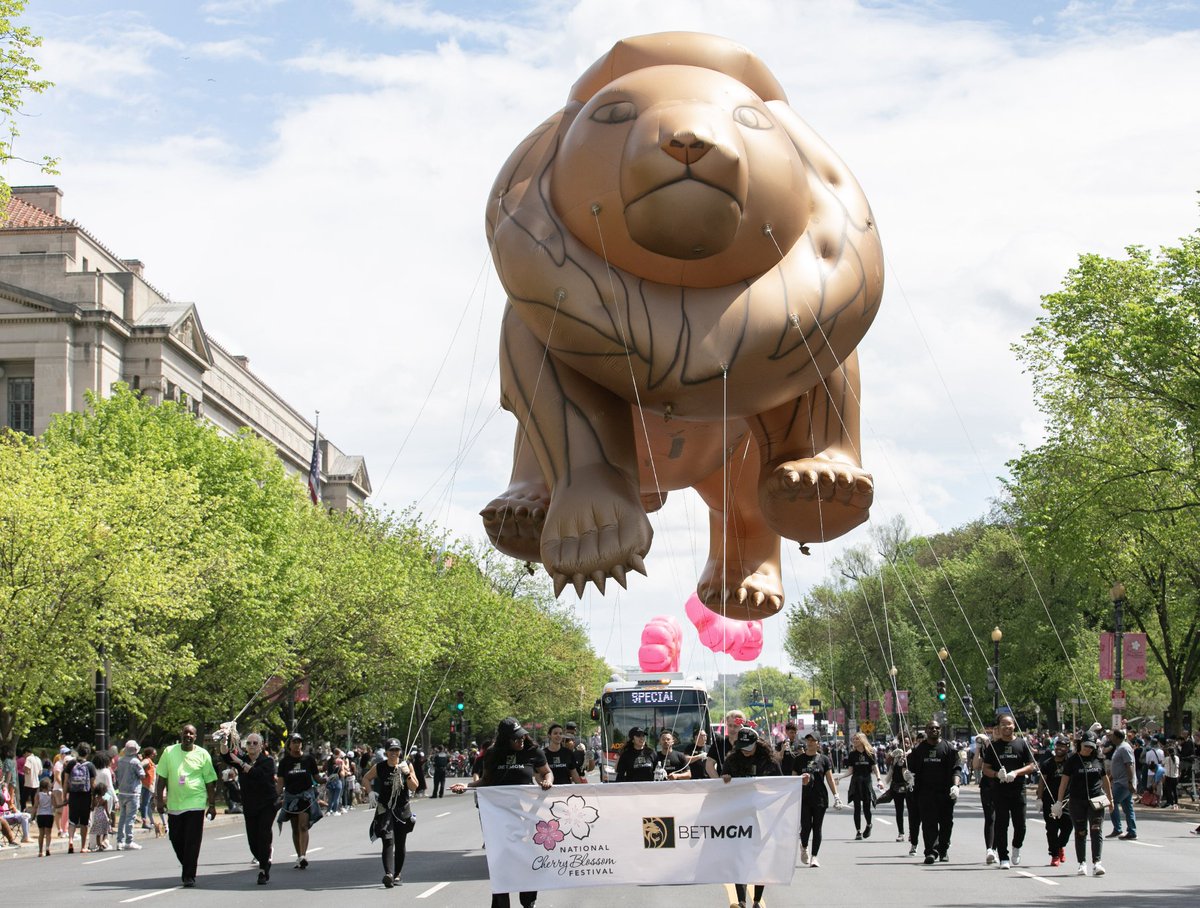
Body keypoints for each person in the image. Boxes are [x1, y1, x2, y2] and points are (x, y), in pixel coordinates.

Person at [451, 717, 552, 908]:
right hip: (497, 816)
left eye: (522, 736)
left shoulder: (533, 750)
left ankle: (528, 899)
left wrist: (547, 781)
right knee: (501, 863)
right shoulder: (492, 754)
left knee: (528, 859)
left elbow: (546, 772)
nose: (521, 740)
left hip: (526, 816)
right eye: (516, 738)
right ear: (505, 739)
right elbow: (486, 781)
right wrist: (467, 786)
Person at [155, 723, 219, 887]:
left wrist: (211, 805)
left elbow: (210, 782)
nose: (188, 736)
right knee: (176, 838)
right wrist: (159, 800)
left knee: (192, 840)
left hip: (195, 804)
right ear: (181, 734)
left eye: (191, 734)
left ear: (195, 737)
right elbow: (161, 778)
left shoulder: (203, 754)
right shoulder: (169, 752)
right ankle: (188, 864)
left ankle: (189, 875)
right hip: (175, 805)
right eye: (185, 733)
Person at [722, 727, 779, 907]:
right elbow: (724, 782)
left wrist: (801, 781)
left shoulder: (769, 761)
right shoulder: (732, 760)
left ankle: (756, 900)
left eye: (748, 747)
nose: (745, 751)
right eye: (742, 747)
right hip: (739, 815)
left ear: (757, 744)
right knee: (739, 857)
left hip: (763, 815)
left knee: (760, 858)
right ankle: (741, 901)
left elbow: (782, 784)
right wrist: (725, 777)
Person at [981, 714, 1036, 868]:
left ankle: (1016, 846)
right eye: (1003, 724)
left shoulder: (1022, 744)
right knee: (1001, 823)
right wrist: (996, 774)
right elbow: (985, 768)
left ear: (1014, 726)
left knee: (1020, 824)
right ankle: (1003, 856)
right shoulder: (993, 746)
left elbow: (1031, 765)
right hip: (999, 790)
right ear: (999, 727)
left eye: (1009, 724)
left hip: (1018, 789)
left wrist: (1016, 773)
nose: (1006, 727)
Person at [362, 738, 419, 887]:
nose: (394, 753)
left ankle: (397, 874)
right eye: (391, 750)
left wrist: (407, 774)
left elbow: (414, 787)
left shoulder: (407, 765)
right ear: (386, 752)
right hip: (385, 808)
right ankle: (388, 873)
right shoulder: (380, 767)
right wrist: (370, 793)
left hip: (402, 809)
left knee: (400, 842)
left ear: (400, 751)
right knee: (387, 840)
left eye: (397, 750)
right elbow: (366, 778)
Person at [223, 732, 277, 885]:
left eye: (255, 743)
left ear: (261, 746)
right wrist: (224, 740)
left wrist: (240, 763)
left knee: (263, 833)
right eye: (249, 743)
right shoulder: (243, 759)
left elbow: (257, 774)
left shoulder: (267, 761)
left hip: (267, 804)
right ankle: (263, 856)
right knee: (253, 840)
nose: (251, 746)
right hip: (250, 804)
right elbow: (226, 756)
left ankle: (263, 870)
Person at [1056, 731, 1112, 876]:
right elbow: (1064, 782)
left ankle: (1097, 862)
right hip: (1077, 801)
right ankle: (1082, 863)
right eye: (1086, 745)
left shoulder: (1098, 759)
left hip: (1096, 800)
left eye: (1091, 746)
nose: (1088, 749)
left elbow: (1105, 781)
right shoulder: (1072, 760)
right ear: (1080, 744)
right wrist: (1059, 801)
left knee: (1096, 830)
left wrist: (1111, 800)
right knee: (1080, 832)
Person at [907, 719, 960, 864]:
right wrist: (909, 775)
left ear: (940, 730)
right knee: (928, 823)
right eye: (930, 728)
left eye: (936, 728)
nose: (934, 730)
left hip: (945, 792)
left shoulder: (948, 748)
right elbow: (911, 769)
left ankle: (943, 850)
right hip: (925, 793)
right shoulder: (918, 750)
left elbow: (956, 769)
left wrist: (955, 786)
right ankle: (930, 851)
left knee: (946, 823)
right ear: (926, 730)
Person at [791, 733, 840, 868]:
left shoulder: (824, 759)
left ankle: (814, 856)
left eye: (813, 741)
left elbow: (829, 779)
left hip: (820, 798)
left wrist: (836, 796)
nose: (810, 743)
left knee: (817, 827)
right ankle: (804, 846)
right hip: (804, 798)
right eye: (808, 740)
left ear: (818, 743)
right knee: (806, 826)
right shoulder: (799, 759)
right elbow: (793, 779)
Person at [275, 733, 322, 870]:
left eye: (299, 742)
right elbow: (280, 783)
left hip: (305, 797)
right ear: (289, 744)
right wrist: (274, 797)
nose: (297, 744)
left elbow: (317, 778)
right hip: (291, 797)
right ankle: (299, 855)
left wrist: (329, 779)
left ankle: (303, 856)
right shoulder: (284, 762)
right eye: (294, 742)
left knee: (303, 826)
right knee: (295, 828)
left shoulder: (309, 759)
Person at [1036, 735, 1073, 866]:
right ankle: (1055, 855)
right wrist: (1039, 798)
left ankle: (1060, 845)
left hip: (1067, 800)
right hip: (1049, 800)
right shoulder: (1047, 763)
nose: (1059, 748)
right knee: (1051, 828)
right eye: (1058, 746)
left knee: (1068, 825)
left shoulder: (1071, 762)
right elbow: (1042, 782)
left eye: (1063, 746)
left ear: (1067, 748)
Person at [844, 732, 881, 840]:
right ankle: (858, 831)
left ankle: (869, 824)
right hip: (856, 782)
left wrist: (879, 780)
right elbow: (850, 771)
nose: (854, 741)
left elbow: (875, 768)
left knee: (866, 807)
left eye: (856, 739)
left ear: (862, 740)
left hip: (866, 782)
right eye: (853, 739)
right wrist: (840, 777)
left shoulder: (870, 753)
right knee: (857, 808)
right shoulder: (852, 755)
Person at [63, 742, 97, 854]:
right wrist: (94, 798)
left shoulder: (71, 764)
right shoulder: (90, 766)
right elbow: (93, 784)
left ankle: (71, 841)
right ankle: (83, 846)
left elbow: (65, 782)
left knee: (72, 820)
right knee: (84, 822)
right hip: (85, 795)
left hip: (73, 794)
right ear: (88, 753)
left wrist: (64, 796)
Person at [1106, 728, 1137, 839]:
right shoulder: (1119, 748)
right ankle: (1132, 831)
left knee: (1112, 803)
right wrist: (1109, 778)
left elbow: (1129, 765)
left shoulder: (1124, 748)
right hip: (1119, 781)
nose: (1111, 738)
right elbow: (1117, 766)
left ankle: (1118, 829)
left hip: (1123, 783)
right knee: (1128, 807)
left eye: (1112, 736)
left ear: (1117, 737)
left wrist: (1130, 781)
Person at [971, 731, 998, 863]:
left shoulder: (1004, 746)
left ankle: (997, 848)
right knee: (990, 817)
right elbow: (976, 765)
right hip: (988, 785)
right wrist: (978, 747)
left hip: (1003, 786)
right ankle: (990, 849)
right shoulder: (986, 748)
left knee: (1001, 818)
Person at [114, 740, 145, 851]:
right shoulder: (136, 762)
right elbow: (142, 775)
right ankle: (129, 841)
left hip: (122, 792)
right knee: (130, 818)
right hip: (132, 792)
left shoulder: (120, 760)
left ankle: (119, 841)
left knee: (122, 817)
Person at [33, 777, 55, 856]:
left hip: (40, 815)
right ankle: (47, 848)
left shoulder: (38, 795)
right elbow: (54, 805)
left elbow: (35, 806)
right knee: (48, 833)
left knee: (41, 833)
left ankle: (40, 851)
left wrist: (33, 816)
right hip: (49, 815)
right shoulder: (51, 794)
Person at [90, 780, 114, 851]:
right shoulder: (104, 799)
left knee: (98, 833)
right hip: (103, 816)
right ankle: (103, 842)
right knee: (105, 831)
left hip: (96, 817)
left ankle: (99, 845)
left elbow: (92, 808)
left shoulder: (95, 799)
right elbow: (106, 810)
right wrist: (110, 818)